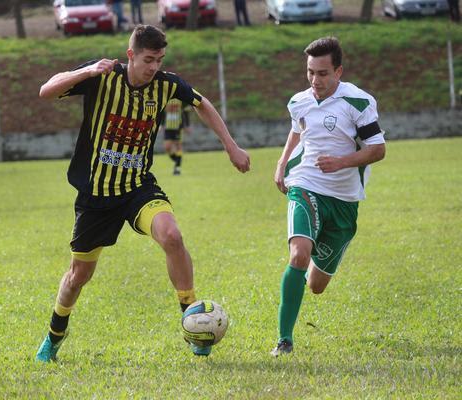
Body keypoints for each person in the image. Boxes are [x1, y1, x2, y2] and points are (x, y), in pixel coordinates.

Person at [36, 24, 250, 363]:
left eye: (160, 60)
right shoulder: (102, 77)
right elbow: (46, 91)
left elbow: (201, 103)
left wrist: (231, 146)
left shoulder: (166, 84)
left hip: (138, 187)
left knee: (172, 236)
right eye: (148, 59)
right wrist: (88, 70)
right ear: (131, 55)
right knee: (79, 276)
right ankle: (54, 337)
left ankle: (190, 319)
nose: (154, 67)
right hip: (96, 195)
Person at [271, 37, 386, 356]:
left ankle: (311, 265)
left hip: (344, 201)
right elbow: (298, 129)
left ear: (338, 71)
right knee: (298, 254)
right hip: (304, 184)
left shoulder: (358, 102)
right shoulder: (299, 102)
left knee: (315, 286)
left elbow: (377, 149)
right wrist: (282, 163)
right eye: (310, 72)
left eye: (322, 73)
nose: (315, 80)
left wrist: (341, 162)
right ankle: (284, 340)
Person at [162, 98, 190, 175]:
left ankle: (177, 167)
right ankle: (177, 160)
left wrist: (186, 125)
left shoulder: (181, 98)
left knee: (178, 146)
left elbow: (186, 112)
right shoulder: (166, 96)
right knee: (167, 147)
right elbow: (161, 112)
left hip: (178, 127)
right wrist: (161, 125)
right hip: (168, 127)